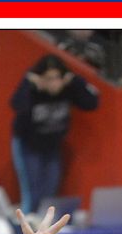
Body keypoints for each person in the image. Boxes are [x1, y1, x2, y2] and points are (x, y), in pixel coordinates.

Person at [10, 54, 100, 214]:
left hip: (52, 146)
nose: (53, 83)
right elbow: (16, 104)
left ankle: (44, 227)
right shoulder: (32, 90)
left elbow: (91, 103)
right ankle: (26, 227)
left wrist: (75, 81)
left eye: (57, 78)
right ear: (40, 78)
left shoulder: (68, 89)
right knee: (33, 192)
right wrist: (28, 83)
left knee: (50, 191)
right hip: (28, 145)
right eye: (49, 78)